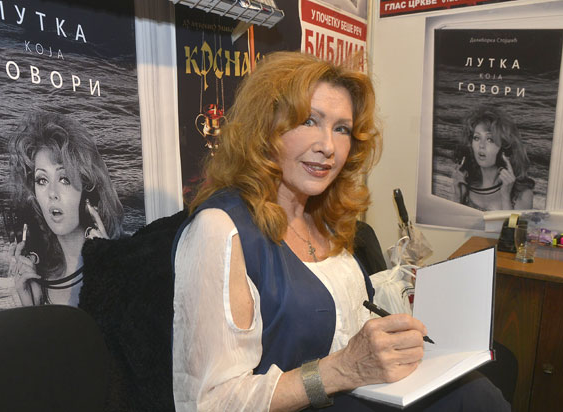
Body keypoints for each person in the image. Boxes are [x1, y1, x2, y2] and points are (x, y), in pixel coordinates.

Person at [172, 51, 510, 411]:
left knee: (485, 384)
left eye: (341, 129)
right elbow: (209, 402)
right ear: (264, 127)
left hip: (359, 393)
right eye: (308, 121)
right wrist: (341, 370)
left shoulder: (321, 215)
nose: (328, 147)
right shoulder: (219, 230)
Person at [6, 111, 124, 307]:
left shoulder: (120, 265)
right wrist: (31, 306)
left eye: (64, 179)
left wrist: (109, 277)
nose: (52, 193)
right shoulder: (38, 282)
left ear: (88, 189)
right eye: (42, 180)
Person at [451, 106, 534, 211]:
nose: (481, 145)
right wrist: (458, 196)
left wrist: (505, 197)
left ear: (504, 148)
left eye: (490, 139)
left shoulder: (522, 194)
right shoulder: (465, 185)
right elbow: (453, 221)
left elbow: (513, 223)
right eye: (476, 138)